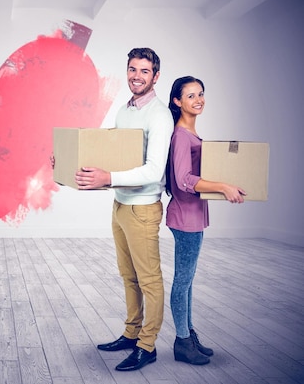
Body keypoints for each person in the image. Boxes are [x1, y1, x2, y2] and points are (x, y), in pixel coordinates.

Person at [74, 48, 173, 371]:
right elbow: (112, 154)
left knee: (149, 280)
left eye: (145, 71)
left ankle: (147, 345)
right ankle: (131, 334)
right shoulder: (125, 110)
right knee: (128, 276)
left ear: (155, 76)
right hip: (120, 204)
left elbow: (154, 170)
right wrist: (71, 163)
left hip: (143, 209)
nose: (136, 76)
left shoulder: (159, 115)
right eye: (133, 69)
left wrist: (109, 177)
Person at [165, 76, 245, 365]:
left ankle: (189, 334)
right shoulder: (181, 136)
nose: (198, 99)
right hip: (185, 217)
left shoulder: (191, 134)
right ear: (177, 101)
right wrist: (222, 186)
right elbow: (184, 180)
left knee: (187, 282)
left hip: (194, 217)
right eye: (190, 96)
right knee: (182, 281)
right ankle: (182, 342)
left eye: (201, 94)